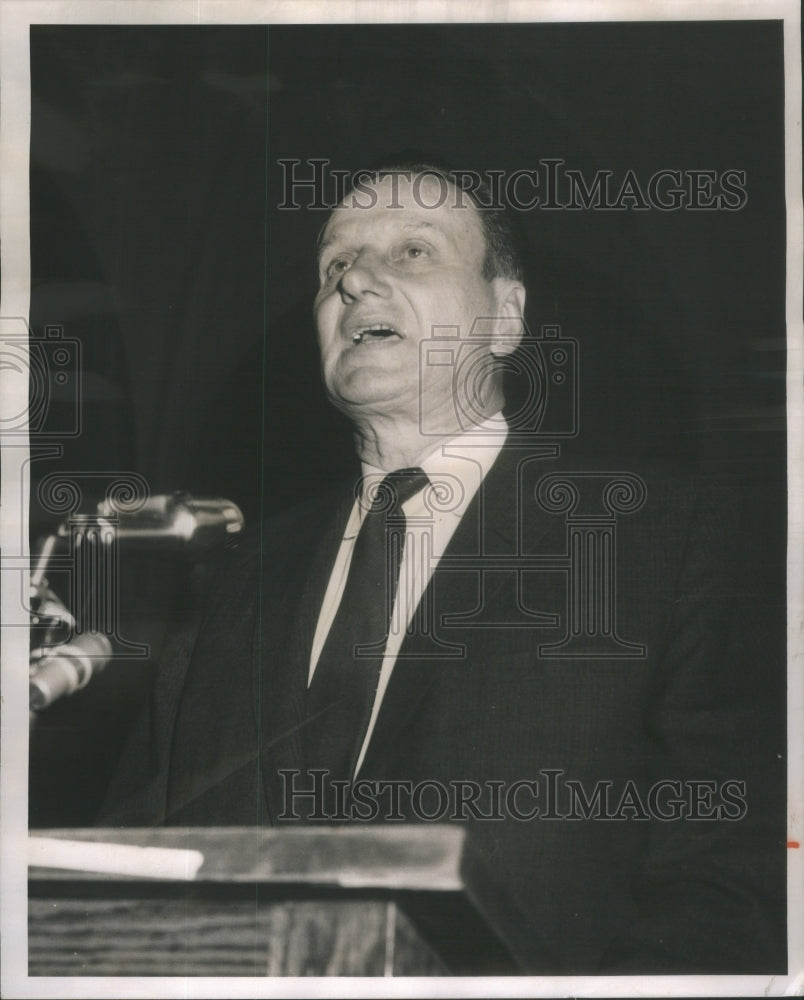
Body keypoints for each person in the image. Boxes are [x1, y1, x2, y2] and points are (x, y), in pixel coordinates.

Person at [101, 163, 786, 974]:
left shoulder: (661, 537)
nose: (354, 278)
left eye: (413, 252)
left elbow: (729, 887)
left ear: (505, 316)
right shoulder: (231, 579)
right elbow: (130, 868)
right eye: (334, 266)